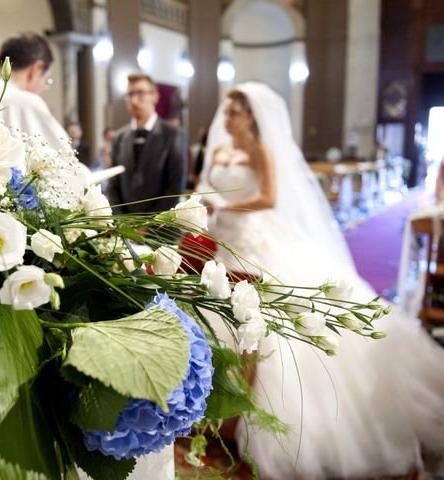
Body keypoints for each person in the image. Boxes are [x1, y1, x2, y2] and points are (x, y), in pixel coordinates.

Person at [198, 83, 444, 478]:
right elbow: (210, 187)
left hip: (258, 239)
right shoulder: (223, 151)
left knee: (271, 320)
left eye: (232, 113)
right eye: (225, 112)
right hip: (226, 241)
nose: (224, 120)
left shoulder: (263, 152)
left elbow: (270, 198)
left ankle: (261, 407)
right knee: (223, 313)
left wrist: (227, 204)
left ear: (250, 117)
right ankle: (223, 399)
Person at [107, 73, 185, 214]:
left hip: (159, 228)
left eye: (140, 93)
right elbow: (113, 185)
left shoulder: (173, 135)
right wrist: (124, 224)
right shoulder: (119, 138)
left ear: (155, 96)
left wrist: (147, 226)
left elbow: (175, 187)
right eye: (130, 94)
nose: (134, 101)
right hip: (125, 228)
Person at [0, 32, 69, 151]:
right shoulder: (26, 102)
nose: (42, 89)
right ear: (36, 69)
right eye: (46, 80)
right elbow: (64, 163)